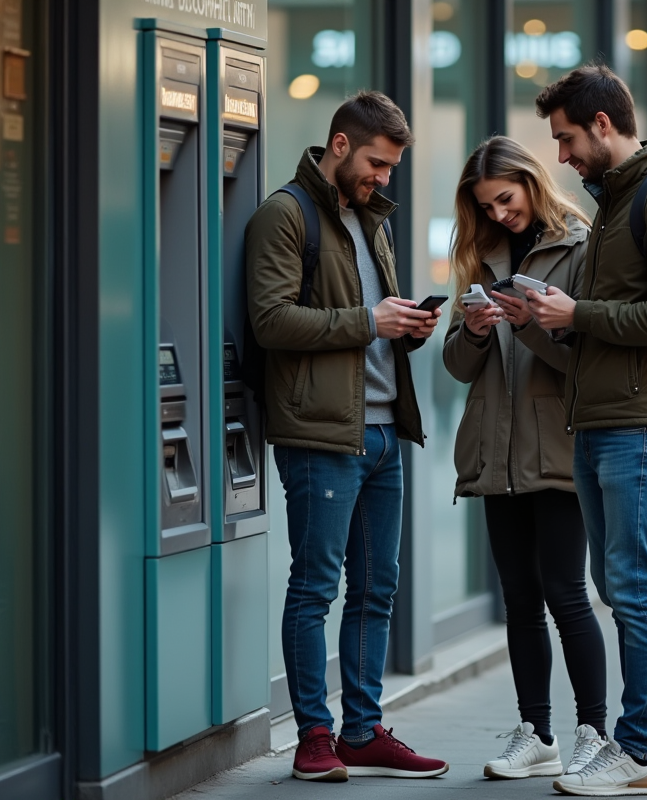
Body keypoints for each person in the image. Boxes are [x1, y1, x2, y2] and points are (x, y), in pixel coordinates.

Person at [245, 91, 447, 783]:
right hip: (323, 435)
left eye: (390, 167)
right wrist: (369, 321)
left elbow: (368, 325)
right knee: (315, 587)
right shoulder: (285, 214)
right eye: (376, 163)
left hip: (386, 431)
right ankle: (314, 738)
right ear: (339, 145)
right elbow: (271, 322)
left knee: (376, 589)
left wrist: (407, 328)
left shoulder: (371, 219)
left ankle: (363, 730)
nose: (383, 177)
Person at [526, 64, 647, 796]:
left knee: (632, 589)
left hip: (642, 422)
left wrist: (578, 314)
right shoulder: (615, 203)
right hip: (604, 417)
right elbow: (611, 323)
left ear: (603, 124)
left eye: (567, 139)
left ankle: (633, 751)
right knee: (617, 583)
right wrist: (545, 317)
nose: (562, 157)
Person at [441, 136, 609, 780]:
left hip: (558, 447)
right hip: (496, 452)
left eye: (505, 200)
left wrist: (532, 327)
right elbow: (458, 368)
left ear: (532, 184)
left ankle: (595, 732)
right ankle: (536, 733)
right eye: (486, 206)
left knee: (567, 594)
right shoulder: (481, 254)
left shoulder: (581, 246)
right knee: (518, 599)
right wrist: (477, 330)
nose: (499, 215)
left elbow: (586, 365)